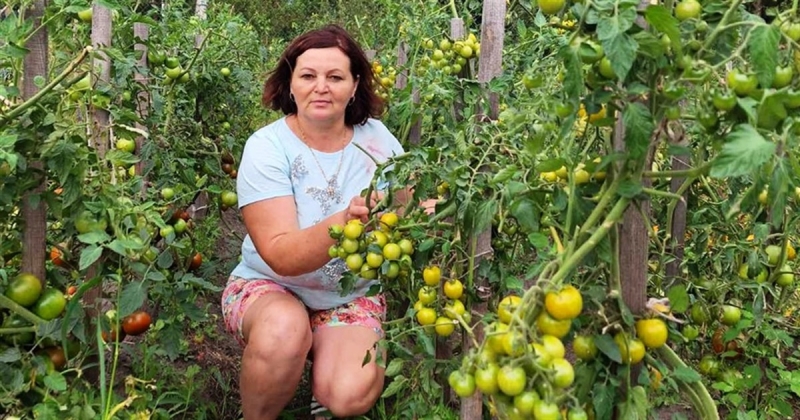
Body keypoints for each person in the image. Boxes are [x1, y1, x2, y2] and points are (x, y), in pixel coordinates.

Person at [221, 24, 406, 420]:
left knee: (348, 393)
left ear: (355, 85)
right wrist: (346, 220)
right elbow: (281, 255)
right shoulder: (267, 147)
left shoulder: (379, 141)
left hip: (348, 292)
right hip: (269, 285)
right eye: (308, 76)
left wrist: (418, 208)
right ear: (290, 84)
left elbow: (404, 205)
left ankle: (327, 364)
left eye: (335, 77)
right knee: (283, 331)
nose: (321, 87)